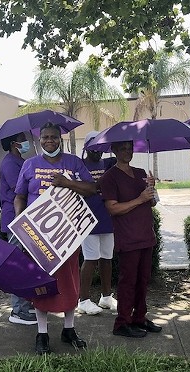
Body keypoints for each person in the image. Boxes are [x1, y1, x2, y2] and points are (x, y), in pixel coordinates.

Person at [14, 123, 97, 354]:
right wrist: (19, 226)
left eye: (53, 137)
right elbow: (20, 196)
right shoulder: (30, 164)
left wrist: (67, 182)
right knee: (42, 284)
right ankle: (42, 333)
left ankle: (69, 328)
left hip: (67, 233)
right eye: (45, 137)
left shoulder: (73, 163)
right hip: (38, 236)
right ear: (40, 140)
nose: (49, 140)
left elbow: (92, 188)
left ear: (60, 139)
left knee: (70, 282)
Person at [99, 140, 162, 338]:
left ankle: (139, 318)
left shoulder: (141, 172)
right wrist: (140, 199)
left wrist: (152, 191)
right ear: (114, 150)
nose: (127, 152)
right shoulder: (109, 178)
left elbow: (151, 202)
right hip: (128, 237)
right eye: (123, 148)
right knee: (128, 282)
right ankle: (122, 322)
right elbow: (113, 208)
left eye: (130, 148)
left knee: (143, 281)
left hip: (146, 235)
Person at [0, 132, 37, 325]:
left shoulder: (20, 161)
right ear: (14, 143)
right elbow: (19, 189)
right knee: (17, 263)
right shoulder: (9, 163)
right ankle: (18, 310)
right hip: (14, 218)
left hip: (21, 219)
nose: (26, 143)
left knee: (24, 262)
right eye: (23, 140)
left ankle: (24, 304)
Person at [77, 131, 117, 315]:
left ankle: (106, 297)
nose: (97, 151)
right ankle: (83, 299)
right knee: (90, 259)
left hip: (107, 218)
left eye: (100, 147)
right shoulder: (80, 165)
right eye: (93, 147)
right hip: (87, 219)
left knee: (107, 259)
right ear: (86, 147)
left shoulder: (108, 164)